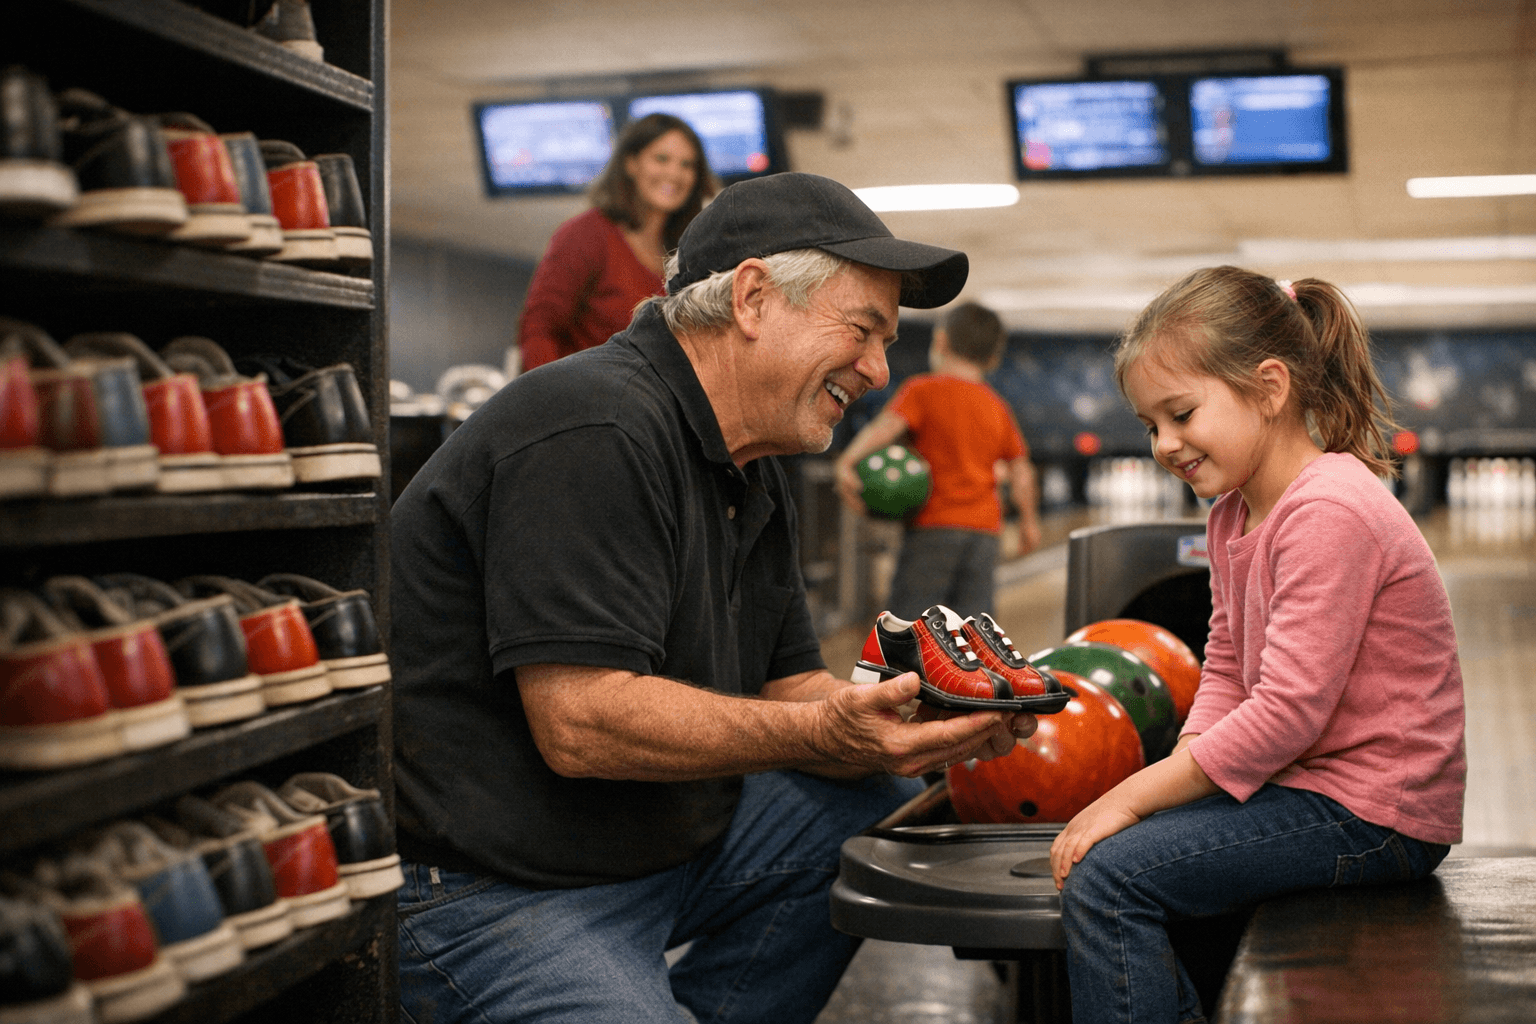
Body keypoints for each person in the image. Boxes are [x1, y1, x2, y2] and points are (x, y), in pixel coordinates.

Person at [390, 172, 1040, 1024]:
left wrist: (910, 722)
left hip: (653, 846)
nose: (879, 370)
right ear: (754, 297)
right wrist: (827, 727)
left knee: (874, 811)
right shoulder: (595, 429)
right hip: (488, 886)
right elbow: (581, 725)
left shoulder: (751, 464)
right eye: (864, 330)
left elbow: (786, 685)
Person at [1049, 266, 1466, 1024]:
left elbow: (1289, 712)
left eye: (1180, 413)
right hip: (1316, 790)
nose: (1164, 444)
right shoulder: (1233, 513)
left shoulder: (1329, 511)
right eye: (1150, 426)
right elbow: (1230, 666)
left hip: (1376, 813)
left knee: (1110, 881)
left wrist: (1133, 795)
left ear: (1270, 388)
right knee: (1146, 850)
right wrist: (1176, 773)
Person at [833, 301, 1041, 619]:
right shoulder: (997, 405)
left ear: (941, 341)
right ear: (993, 356)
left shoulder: (922, 390)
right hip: (985, 533)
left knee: (910, 628)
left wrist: (848, 460)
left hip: (933, 529)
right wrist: (1028, 521)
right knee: (974, 632)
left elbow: (886, 427)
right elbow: (1021, 470)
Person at [517, 113, 717, 372]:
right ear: (631, 163)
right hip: (587, 401)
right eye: (661, 159)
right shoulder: (587, 234)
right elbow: (538, 328)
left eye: (687, 164)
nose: (674, 173)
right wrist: (558, 404)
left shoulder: (687, 253)